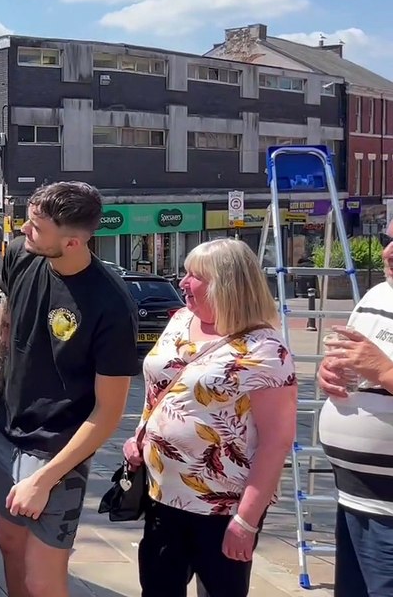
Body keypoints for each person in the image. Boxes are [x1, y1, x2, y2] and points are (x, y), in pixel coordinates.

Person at [0, 181, 138, 597]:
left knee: (43, 580)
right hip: (5, 431)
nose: (23, 230)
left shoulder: (111, 305)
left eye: (36, 227)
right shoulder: (21, 254)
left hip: (58, 449)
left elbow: (108, 414)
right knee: (8, 540)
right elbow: (7, 320)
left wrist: (44, 479)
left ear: (73, 241)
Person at [125, 238, 297, 597]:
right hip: (161, 493)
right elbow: (159, 387)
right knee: (156, 589)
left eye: (194, 276)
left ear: (227, 284)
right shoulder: (180, 320)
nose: (183, 283)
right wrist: (140, 434)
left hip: (222, 506)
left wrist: (246, 521)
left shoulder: (265, 350)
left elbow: (276, 441)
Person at [317, 220, 393, 597]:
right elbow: (357, 363)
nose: (389, 252)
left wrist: (385, 371)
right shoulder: (377, 293)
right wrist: (329, 372)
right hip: (353, 496)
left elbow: (380, 368)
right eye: (388, 239)